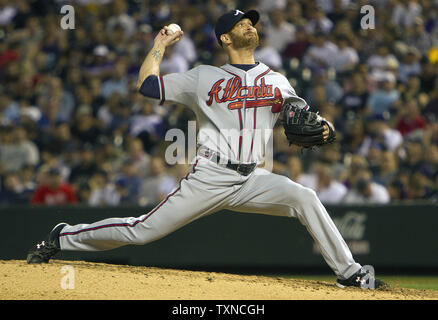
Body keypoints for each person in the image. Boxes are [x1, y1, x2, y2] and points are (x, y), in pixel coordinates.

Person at [26, 9, 387, 289]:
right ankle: (64, 235)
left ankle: (350, 273)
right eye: (241, 23)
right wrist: (160, 44)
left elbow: (306, 119)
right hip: (210, 176)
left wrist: (327, 128)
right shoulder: (203, 77)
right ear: (225, 38)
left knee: (304, 197)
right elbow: (147, 86)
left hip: (253, 178)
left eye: (251, 22)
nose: (249, 25)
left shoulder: (277, 80)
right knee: (142, 231)